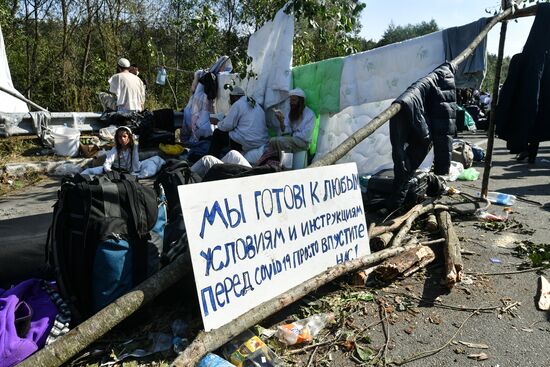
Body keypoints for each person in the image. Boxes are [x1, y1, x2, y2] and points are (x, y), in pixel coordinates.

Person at [207, 86, 268, 159]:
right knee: (233, 133)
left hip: (247, 141)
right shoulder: (254, 103)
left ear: (235, 97)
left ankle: (212, 159)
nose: (230, 101)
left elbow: (227, 126)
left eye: (231, 98)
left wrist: (218, 122)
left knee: (217, 133)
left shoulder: (238, 104)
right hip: (260, 141)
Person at [268, 88, 315, 154]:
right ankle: (275, 162)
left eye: (294, 100)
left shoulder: (310, 114)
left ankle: (286, 163)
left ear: (300, 101)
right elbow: (287, 130)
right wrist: (281, 121)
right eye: (290, 100)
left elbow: (306, 135)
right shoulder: (291, 112)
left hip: (303, 142)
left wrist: (293, 134)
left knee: (281, 141)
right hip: (292, 139)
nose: (291, 103)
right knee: (272, 141)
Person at [181, 70, 215, 144]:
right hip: (207, 126)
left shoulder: (199, 95)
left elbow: (195, 114)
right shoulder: (209, 96)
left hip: (199, 125)